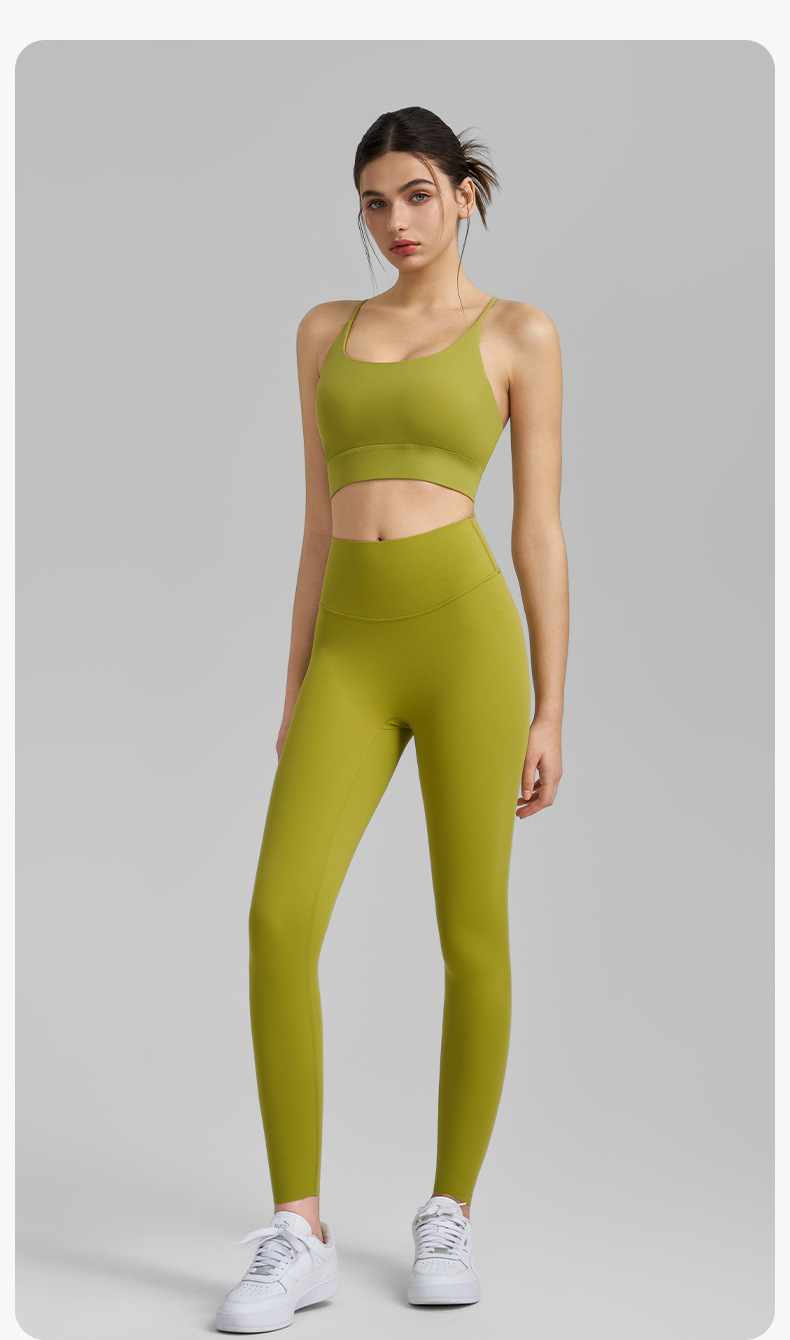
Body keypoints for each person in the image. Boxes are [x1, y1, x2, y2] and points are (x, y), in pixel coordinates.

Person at [215, 104, 568, 1334]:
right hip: (352, 655)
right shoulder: (325, 329)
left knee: (471, 934)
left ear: (464, 193)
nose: (395, 222)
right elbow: (317, 520)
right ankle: (298, 1231)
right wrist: (296, 680)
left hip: (470, 647)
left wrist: (553, 706)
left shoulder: (518, 331)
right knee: (277, 918)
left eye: (417, 194)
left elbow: (537, 527)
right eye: (374, 201)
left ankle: (449, 1209)